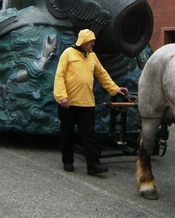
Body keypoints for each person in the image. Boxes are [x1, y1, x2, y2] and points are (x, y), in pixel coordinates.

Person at [53, 29, 128, 175]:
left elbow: (102, 74)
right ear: (83, 41)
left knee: (89, 135)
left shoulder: (92, 56)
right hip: (68, 104)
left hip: (87, 104)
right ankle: (67, 160)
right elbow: (59, 75)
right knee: (67, 133)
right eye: (91, 41)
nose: (93, 44)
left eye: (93, 41)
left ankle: (93, 165)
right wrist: (62, 96)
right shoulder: (68, 53)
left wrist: (115, 89)